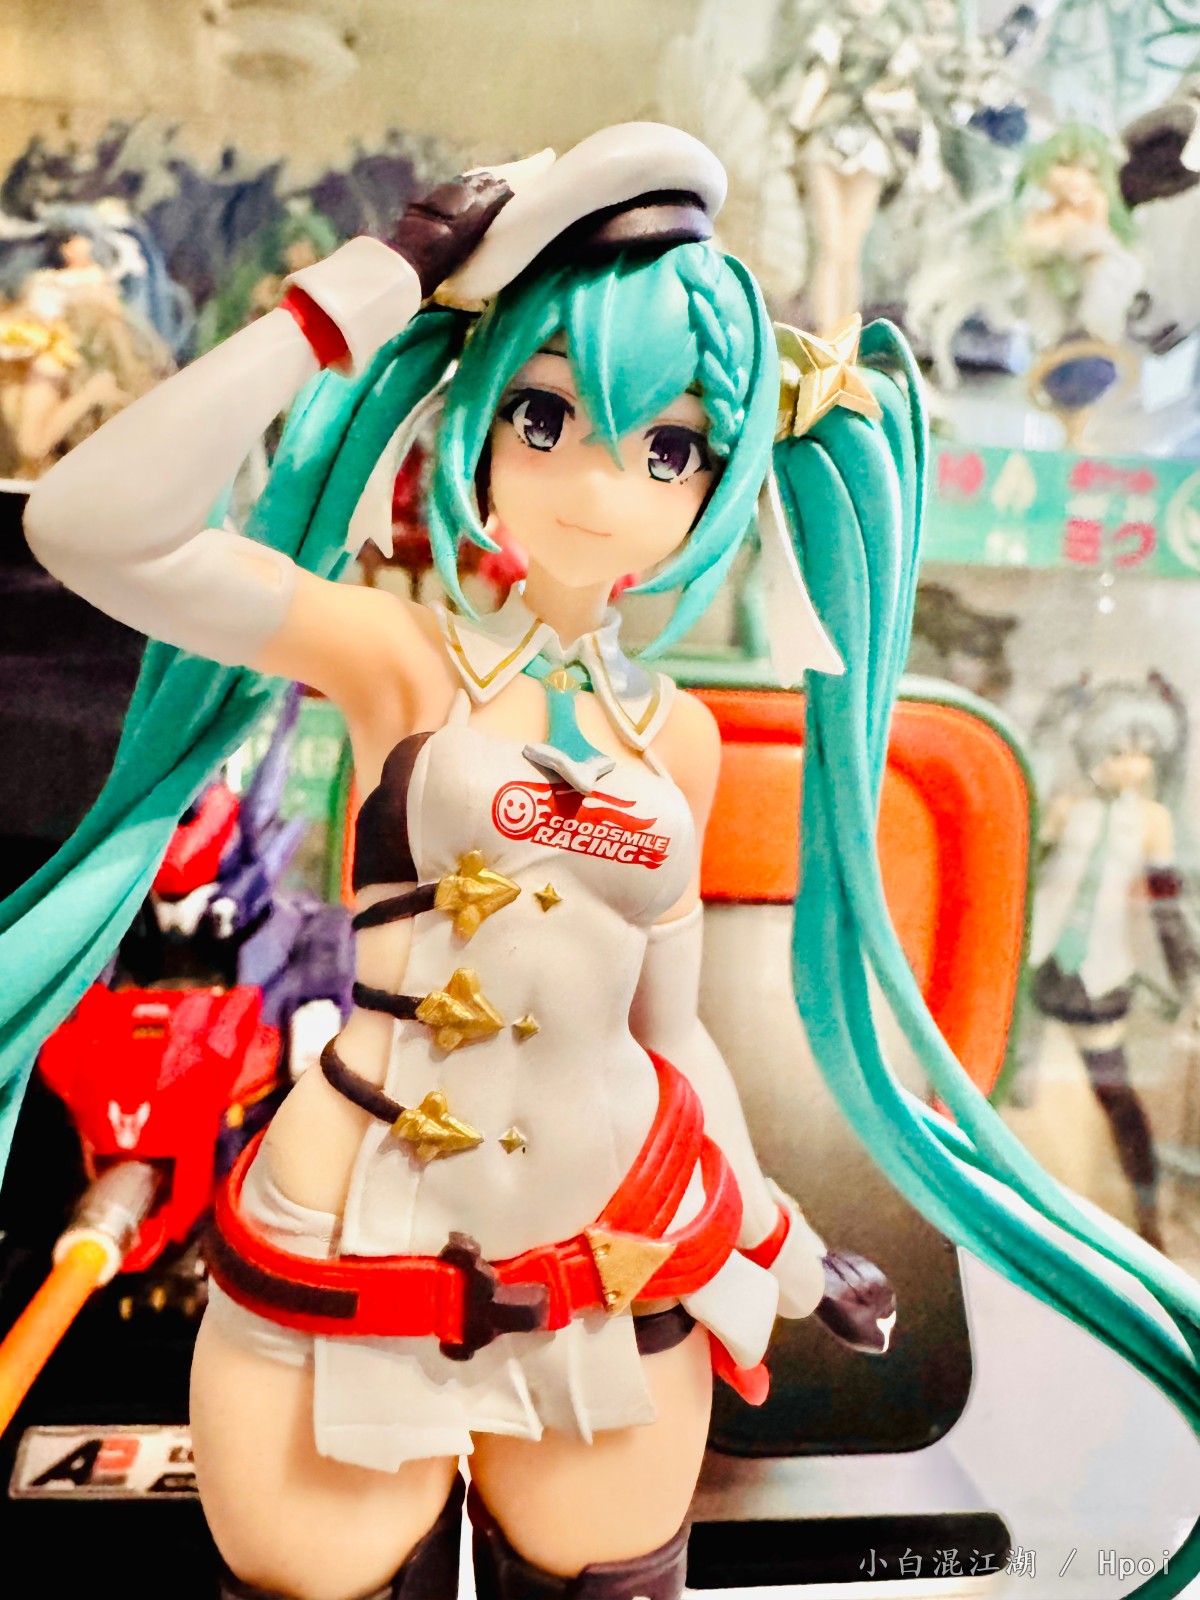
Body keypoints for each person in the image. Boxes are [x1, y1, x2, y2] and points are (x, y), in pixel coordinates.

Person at [6, 125, 1200, 1600]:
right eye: (545, 413)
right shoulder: (398, 659)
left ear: (720, 477)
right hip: (348, 1242)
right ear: (478, 417)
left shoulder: (675, 738)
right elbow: (90, 525)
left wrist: (775, 1226)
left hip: (615, 1256)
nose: (596, 478)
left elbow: (669, 1031)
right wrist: (375, 285)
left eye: (669, 445)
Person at [1030, 676, 1197, 1250]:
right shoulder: (1066, 807)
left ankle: (1145, 1210)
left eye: (1144, 753)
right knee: (1007, 1084)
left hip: (1100, 972)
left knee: (1115, 1092)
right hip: (1039, 962)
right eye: (1120, 750)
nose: (1133, 765)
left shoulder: (1151, 820)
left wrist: (1188, 975)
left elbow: (1167, 907)